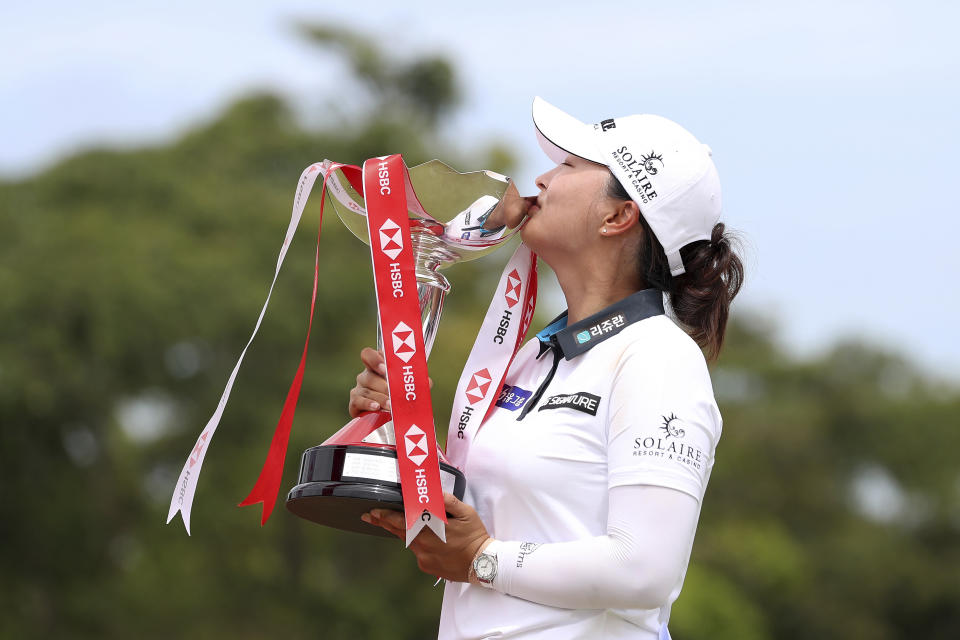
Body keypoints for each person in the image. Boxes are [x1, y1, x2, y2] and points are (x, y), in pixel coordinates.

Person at [350, 96, 744, 640]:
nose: (542, 177)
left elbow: (645, 569)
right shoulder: (536, 357)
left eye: (570, 166)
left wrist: (483, 560)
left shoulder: (657, 357)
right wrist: (397, 427)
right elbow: (476, 521)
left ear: (619, 214)